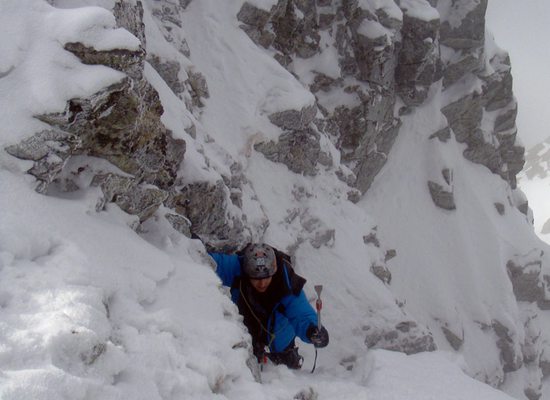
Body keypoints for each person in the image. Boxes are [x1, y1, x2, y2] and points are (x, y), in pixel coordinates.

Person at [209, 243, 329, 369]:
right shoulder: (238, 268)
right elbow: (211, 261)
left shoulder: (287, 284)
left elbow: (301, 313)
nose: (261, 283)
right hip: (249, 339)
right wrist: (191, 245)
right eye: (255, 278)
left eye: (266, 277)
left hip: (282, 348)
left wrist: (313, 331)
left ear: (274, 269)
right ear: (246, 271)